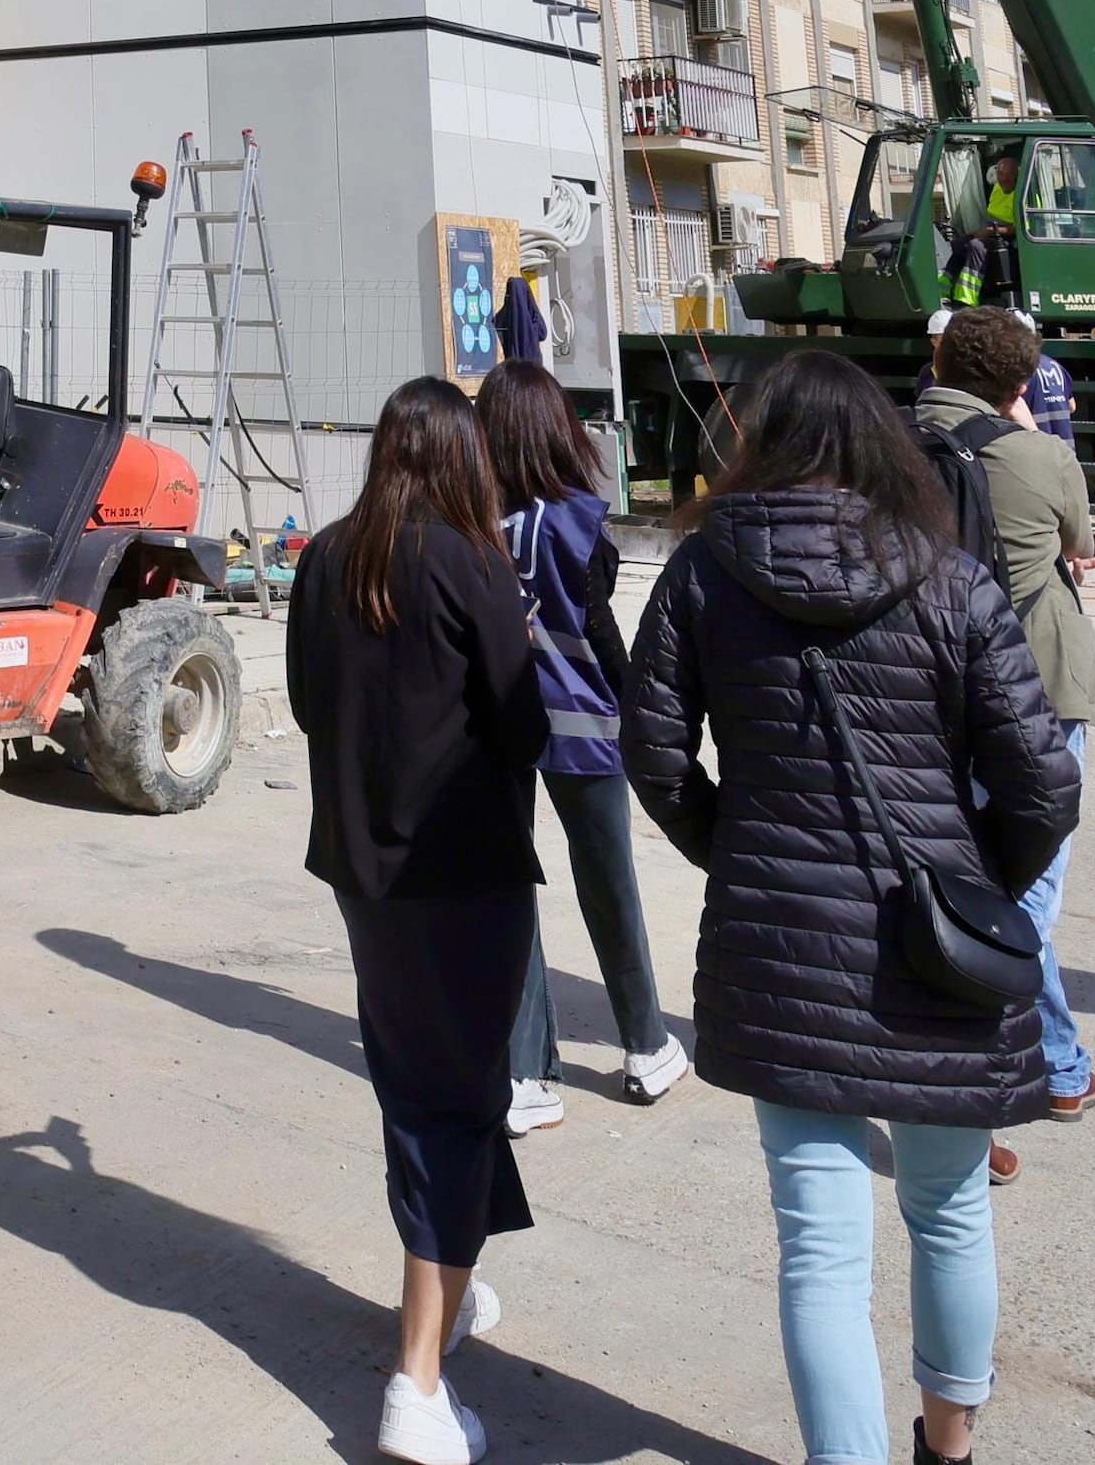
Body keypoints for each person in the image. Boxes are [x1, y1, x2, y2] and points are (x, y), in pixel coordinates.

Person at [624, 351, 1075, 1465]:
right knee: (949, 1209)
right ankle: (949, 1444)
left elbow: (651, 748)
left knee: (818, 1249)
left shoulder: (699, 569)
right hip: (937, 953)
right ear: (880, 443)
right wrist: (981, 893)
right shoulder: (951, 577)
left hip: (780, 943)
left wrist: (732, 849)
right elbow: (1042, 784)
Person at [287, 376, 546, 1465]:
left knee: (424, 1086)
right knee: (450, 1104)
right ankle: (417, 1380)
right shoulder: (468, 557)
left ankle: (452, 1277)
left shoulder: (324, 554)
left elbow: (307, 700)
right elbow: (520, 718)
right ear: (458, 455)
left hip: (365, 871)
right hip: (462, 870)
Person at [914, 308, 1095, 1166]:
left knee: (954, 871)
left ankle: (1048, 1067)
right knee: (1024, 891)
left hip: (931, 688)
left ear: (937, 357)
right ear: (1023, 382)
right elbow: (1081, 543)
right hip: (1038, 684)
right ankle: (1031, 1068)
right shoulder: (1038, 455)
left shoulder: (884, 444)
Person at [477, 362, 685, 1133]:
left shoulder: (475, 518)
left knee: (510, 893)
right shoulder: (577, 519)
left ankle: (521, 1073)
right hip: (584, 729)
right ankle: (644, 1046)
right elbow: (600, 633)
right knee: (609, 887)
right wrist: (643, 707)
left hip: (498, 728)